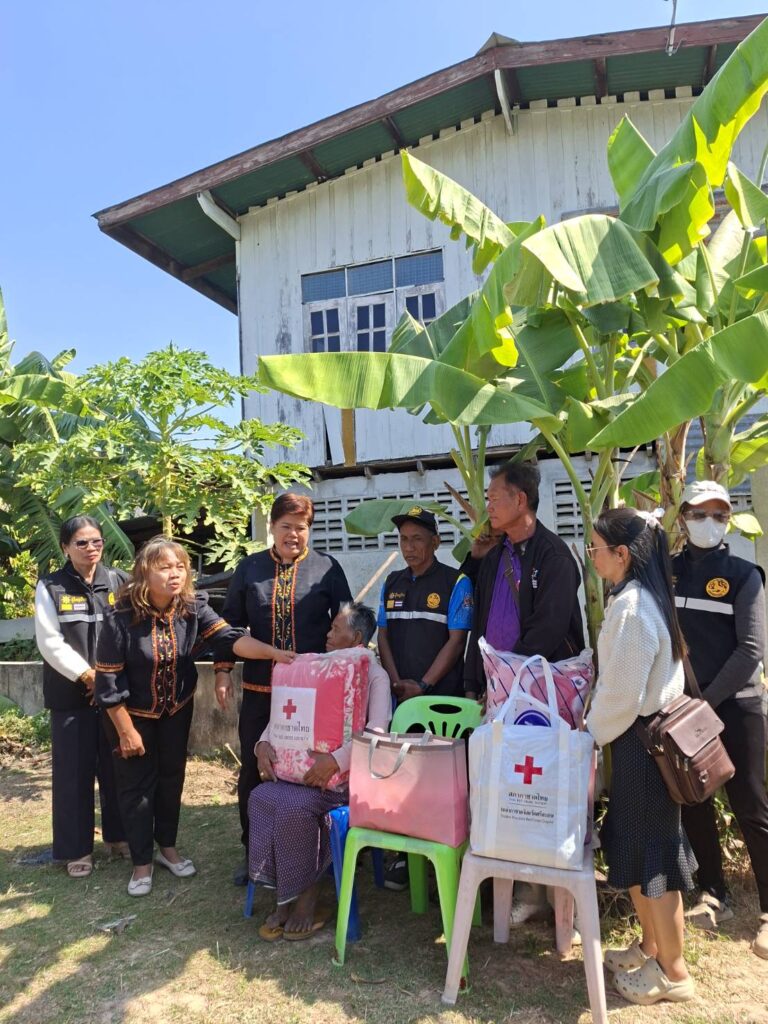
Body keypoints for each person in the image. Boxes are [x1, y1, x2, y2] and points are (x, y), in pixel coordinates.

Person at [94, 537, 294, 897]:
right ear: (144, 572)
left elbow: (229, 638)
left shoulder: (192, 607)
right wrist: (125, 731)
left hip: (176, 708)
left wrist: (274, 653)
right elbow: (107, 681)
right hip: (130, 714)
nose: (175, 574)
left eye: (180, 567)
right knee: (136, 786)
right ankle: (141, 862)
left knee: (172, 778)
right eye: (164, 567)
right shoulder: (120, 617)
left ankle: (168, 848)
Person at [463, 461, 584, 922]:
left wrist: (511, 675)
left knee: (547, 790)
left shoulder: (553, 556)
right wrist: (481, 679)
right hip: (500, 691)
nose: (488, 505)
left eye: (495, 497)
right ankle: (528, 892)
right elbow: (479, 616)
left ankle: (560, 900)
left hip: (539, 694)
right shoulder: (495, 553)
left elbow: (549, 628)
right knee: (511, 790)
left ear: (520, 500)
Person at [586, 507, 696, 1006]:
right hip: (642, 742)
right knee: (638, 847)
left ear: (622, 554)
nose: (592, 557)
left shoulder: (632, 606)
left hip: (642, 744)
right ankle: (652, 948)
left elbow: (622, 694)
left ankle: (674, 972)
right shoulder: (639, 597)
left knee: (656, 860)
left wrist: (590, 732)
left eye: (596, 548)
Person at [215, 493, 352, 886]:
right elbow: (228, 626)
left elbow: (348, 622)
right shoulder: (250, 568)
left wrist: (347, 669)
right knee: (255, 767)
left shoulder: (327, 568)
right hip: (261, 690)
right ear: (272, 527)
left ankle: (318, 853)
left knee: (311, 769)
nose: (294, 534)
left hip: (314, 696)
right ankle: (254, 853)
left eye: (301, 527)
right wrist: (222, 671)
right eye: (286, 526)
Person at [250, 601, 391, 940]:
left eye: (335, 629)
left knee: (296, 808)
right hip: (297, 776)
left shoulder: (375, 676)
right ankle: (284, 894)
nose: (327, 634)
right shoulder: (314, 669)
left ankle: (307, 898)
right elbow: (284, 719)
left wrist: (336, 761)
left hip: (341, 782)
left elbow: (377, 734)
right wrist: (262, 745)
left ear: (356, 638)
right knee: (261, 797)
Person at [671, 481, 768, 959]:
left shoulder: (744, 575)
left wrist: (706, 702)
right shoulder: (667, 573)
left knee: (751, 805)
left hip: (735, 706)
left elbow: (751, 650)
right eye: (699, 513)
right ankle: (713, 894)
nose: (708, 523)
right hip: (684, 708)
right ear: (682, 517)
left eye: (719, 515)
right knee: (694, 799)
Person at [376, 505, 473, 889]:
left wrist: (424, 686)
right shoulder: (392, 582)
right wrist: (396, 681)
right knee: (405, 775)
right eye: (404, 540)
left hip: (441, 702)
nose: (409, 547)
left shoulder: (456, 582)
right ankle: (406, 856)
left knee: (444, 782)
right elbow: (383, 635)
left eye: (417, 539)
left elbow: (457, 641)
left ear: (435, 541)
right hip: (402, 701)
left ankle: (448, 854)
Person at [34, 515, 129, 878]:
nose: (91, 548)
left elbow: (131, 630)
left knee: (118, 766)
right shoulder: (51, 586)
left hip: (115, 693)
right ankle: (76, 849)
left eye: (96, 541)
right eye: (81, 543)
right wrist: (88, 675)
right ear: (65, 548)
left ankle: (119, 837)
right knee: (73, 774)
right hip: (71, 694)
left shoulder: (118, 581)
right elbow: (49, 641)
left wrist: (108, 679)